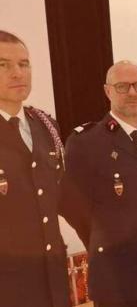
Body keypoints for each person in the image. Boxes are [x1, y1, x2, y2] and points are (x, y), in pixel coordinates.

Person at [60, 60, 137, 307]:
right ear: (108, 91)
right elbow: (70, 205)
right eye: (123, 86)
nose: (132, 93)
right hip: (116, 276)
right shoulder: (86, 142)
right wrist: (104, 239)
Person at [0, 30, 70, 307]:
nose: (18, 73)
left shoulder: (45, 125)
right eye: (3, 65)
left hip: (52, 278)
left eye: (24, 64)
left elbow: (59, 196)